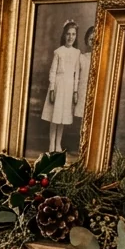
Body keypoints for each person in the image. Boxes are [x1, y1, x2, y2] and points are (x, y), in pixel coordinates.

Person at [40, 21, 81, 153]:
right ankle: (51, 144)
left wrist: (75, 91)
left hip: (69, 87)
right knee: (55, 117)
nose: (70, 37)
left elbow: (77, 74)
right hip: (58, 85)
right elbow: (52, 71)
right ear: (64, 35)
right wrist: (52, 88)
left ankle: (58, 144)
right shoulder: (58, 52)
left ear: (76, 36)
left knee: (63, 117)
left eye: (73, 34)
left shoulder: (77, 53)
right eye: (68, 34)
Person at [73, 26, 95, 125]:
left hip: (95, 91)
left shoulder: (102, 59)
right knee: (83, 117)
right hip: (83, 90)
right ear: (87, 40)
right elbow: (76, 76)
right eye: (91, 39)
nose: (93, 42)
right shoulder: (82, 57)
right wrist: (75, 92)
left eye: (96, 40)